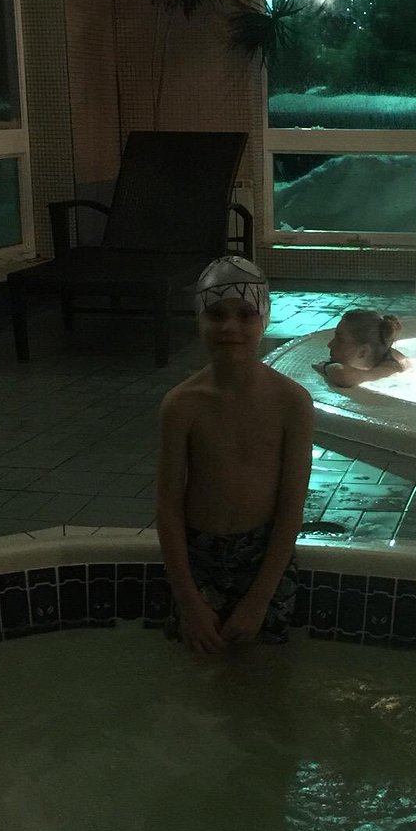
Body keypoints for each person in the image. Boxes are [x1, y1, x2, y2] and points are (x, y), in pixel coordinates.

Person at [155, 256, 313, 655]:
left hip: (264, 559)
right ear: (198, 320)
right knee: (197, 671)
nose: (230, 327)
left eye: (245, 314)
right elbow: (168, 508)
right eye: (216, 314)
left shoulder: (291, 402)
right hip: (197, 558)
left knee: (263, 673)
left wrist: (260, 598)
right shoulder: (182, 405)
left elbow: (292, 506)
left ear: (264, 319)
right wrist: (188, 600)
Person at [317, 309, 410, 390]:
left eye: (340, 340)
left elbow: (344, 376)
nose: (330, 345)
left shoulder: (392, 366)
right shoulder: (382, 352)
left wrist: (326, 366)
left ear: (363, 352)